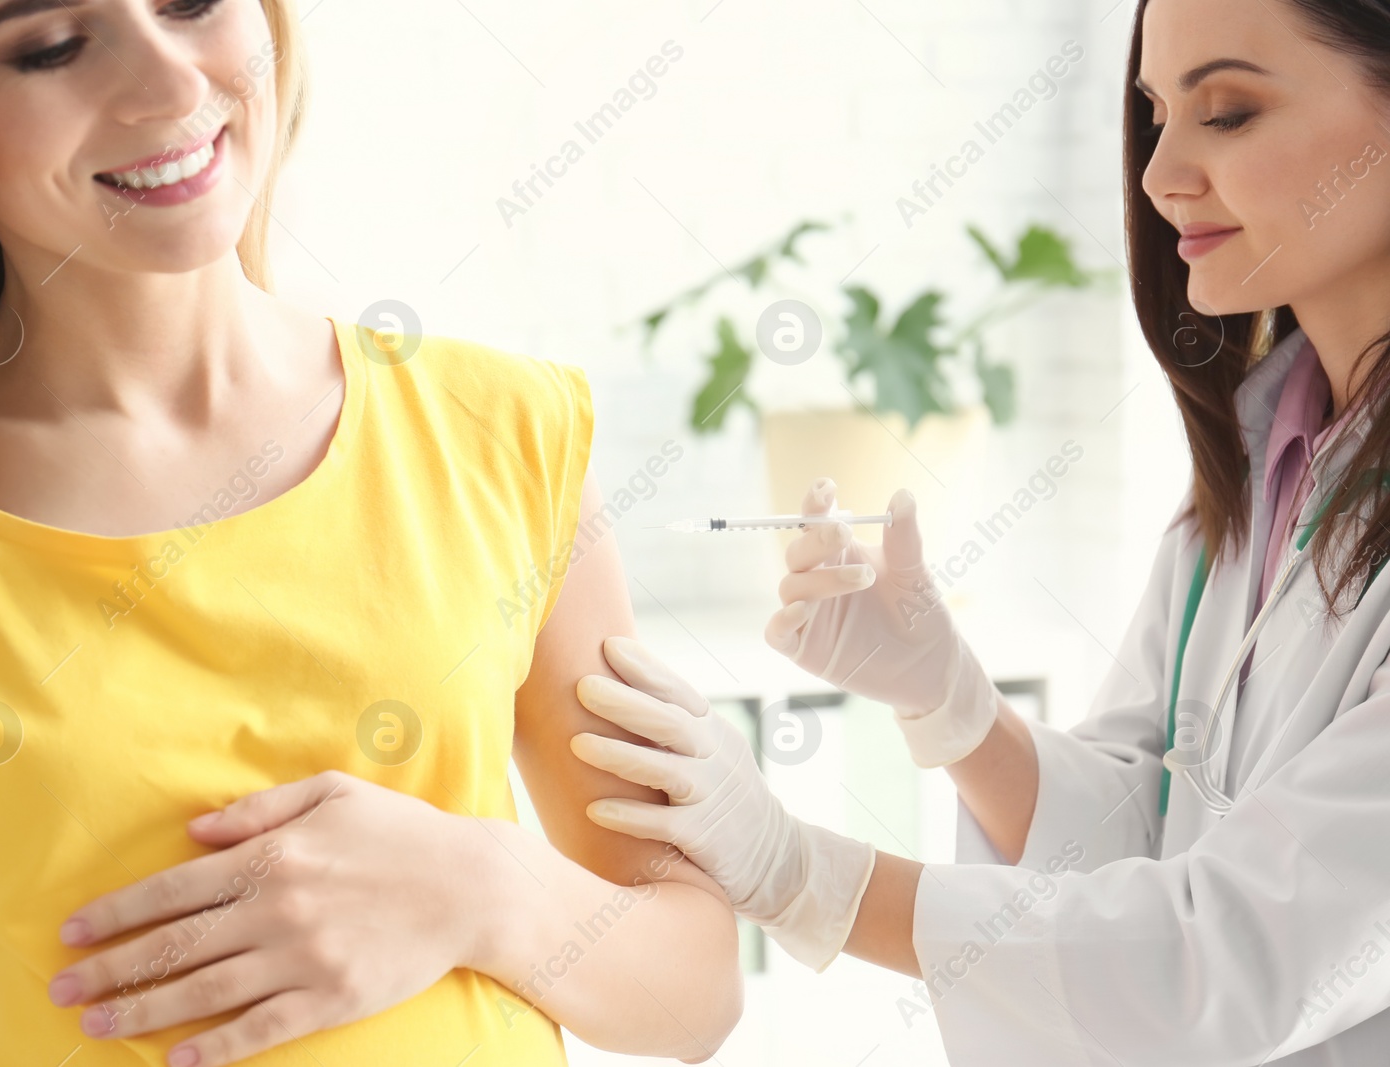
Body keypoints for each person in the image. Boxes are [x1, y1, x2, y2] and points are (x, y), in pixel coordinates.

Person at [0, 1, 744, 1064]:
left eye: (191, 4)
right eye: (50, 46)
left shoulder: (501, 432)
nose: (170, 86)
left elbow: (694, 991)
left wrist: (479, 885)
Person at [569, 0, 1390, 1062]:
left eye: (1227, 111)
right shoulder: (1250, 478)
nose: (1158, 173)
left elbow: (1221, 954)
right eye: (1154, 111)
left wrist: (802, 873)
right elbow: (1140, 834)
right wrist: (953, 707)